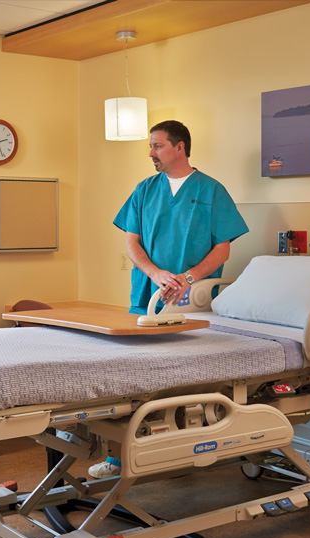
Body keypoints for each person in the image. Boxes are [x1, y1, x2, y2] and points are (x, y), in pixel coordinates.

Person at [89, 120, 249, 479]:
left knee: (184, 378)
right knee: (132, 375)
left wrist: (188, 278)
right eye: (151, 146)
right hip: (147, 294)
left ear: (180, 148)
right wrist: (155, 274)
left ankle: (177, 450)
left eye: (157, 146)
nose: (151, 153)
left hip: (191, 298)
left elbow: (222, 249)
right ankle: (119, 459)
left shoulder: (211, 191)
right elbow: (131, 243)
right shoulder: (145, 190)